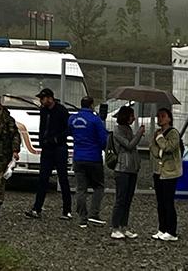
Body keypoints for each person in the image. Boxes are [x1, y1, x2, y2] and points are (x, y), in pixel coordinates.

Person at [24, 87, 73, 220]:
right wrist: (42, 140)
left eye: (42, 98)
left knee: (63, 179)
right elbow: (42, 127)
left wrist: (57, 139)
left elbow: (69, 129)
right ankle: (37, 208)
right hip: (47, 149)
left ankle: (67, 210)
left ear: (50, 98)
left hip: (59, 148)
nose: (41, 101)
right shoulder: (44, 111)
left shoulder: (61, 111)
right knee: (43, 179)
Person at [68, 95, 108, 228]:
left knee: (81, 189)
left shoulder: (72, 119)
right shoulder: (95, 120)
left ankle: (82, 218)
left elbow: (70, 133)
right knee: (98, 186)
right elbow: (103, 140)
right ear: (91, 105)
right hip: (93, 157)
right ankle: (94, 214)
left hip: (78, 157)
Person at [106, 105, 143, 240]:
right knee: (121, 199)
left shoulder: (128, 129)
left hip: (132, 168)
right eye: (132, 115)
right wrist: (139, 134)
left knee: (128, 199)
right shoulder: (117, 131)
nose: (134, 118)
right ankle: (115, 227)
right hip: (122, 168)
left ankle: (123, 226)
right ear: (126, 116)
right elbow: (129, 145)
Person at [149, 105, 181, 242]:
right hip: (158, 171)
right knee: (160, 202)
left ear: (169, 118)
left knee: (168, 201)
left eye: (163, 116)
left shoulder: (173, 133)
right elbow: (154, 149)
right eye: (158, 116)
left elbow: (168, 147)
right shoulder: (157, 133)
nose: (160, 119)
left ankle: (171, 231)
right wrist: (159, 146)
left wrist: (160, 140)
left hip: (169, 172)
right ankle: (162, 228)